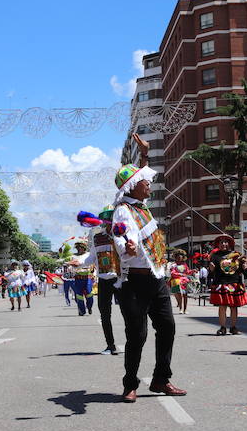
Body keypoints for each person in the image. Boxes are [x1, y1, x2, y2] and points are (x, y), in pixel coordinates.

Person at [111, 133, 186, 403]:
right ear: (132, 186)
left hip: (157, 280)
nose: (149, 185)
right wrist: (127, 246)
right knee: (137, 335)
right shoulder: (123, 211)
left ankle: (160, 379)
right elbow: (120, 235)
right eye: (145, 182)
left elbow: (141, 173)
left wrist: (145, 154)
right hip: (135, 283)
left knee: (167, 327)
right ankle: (130, 383)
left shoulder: (141, 208)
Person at [88, 205, 120, 355]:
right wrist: (78, 262)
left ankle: (132, 343)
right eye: (106, 218)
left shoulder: (122, 234)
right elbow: (91, 257)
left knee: (129, 312)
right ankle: (110, 345)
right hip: (103, 280)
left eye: (111, 217)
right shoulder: (97, 237)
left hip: (121, 279)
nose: (109, 220)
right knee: (104, 313)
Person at [208, 235, 247, 336]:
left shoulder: (237, 255)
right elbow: (210, 275)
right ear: (218, 244)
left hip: (234, 283)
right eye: (221, 242)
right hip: (221, 283)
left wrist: (245, 268)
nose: (223, 244)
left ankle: (233, 327)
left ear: (229, 244)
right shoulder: (215, 256)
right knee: (222, 306)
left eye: (226, 242)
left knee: (234, 307)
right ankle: (222, 328)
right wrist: (211, 269)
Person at [67, 240, 95, 316]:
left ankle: (89, 307)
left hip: (87, 277)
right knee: (79, 295)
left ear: (84, 248)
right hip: (77, 278)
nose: (79, 249)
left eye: (80, 247)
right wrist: (70, 267)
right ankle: (81, 311)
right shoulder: (73, 256)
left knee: (89, 294)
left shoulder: (88, 254)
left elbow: (93, 264)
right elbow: (70, 265)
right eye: (77, 247)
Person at [168, 249, 192, 315]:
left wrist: (193, 271)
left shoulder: (184, 264)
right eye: (178, 257)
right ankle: (181, 308)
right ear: (175, 257)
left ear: (182, 258)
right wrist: (180, 274)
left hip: (184, 281)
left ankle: (185, 309)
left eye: (180, 257)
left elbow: (187, 272)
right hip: (177, 281)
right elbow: (172, 273)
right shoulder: (173, 265)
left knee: (185, 295)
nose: (179, 258)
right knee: (180, 295)